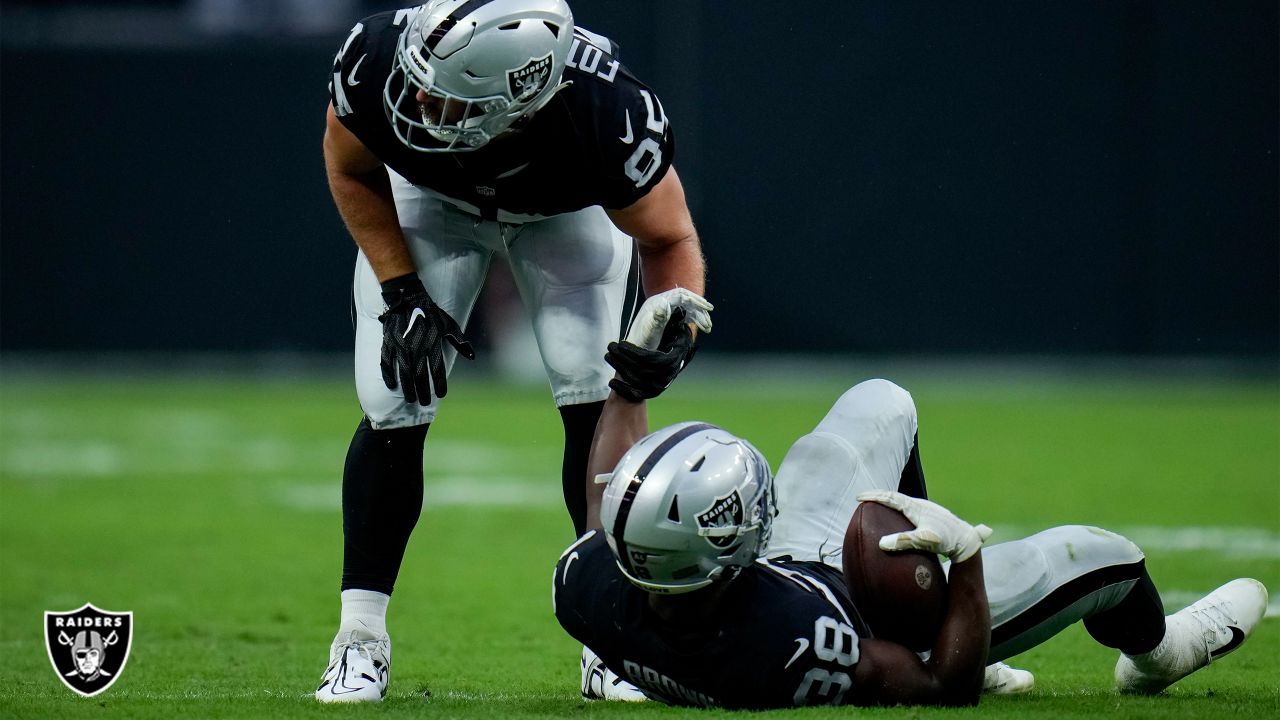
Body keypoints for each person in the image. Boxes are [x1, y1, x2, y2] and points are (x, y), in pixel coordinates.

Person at [316, 0, 711, 703]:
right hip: (427, 203)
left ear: (523, 93)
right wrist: (401, 288)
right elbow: (350, 169)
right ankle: (360, 636)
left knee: (595, 391)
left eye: (446, 96)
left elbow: (670, 238)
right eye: (420, 80)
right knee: (393, 398)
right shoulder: (378, 57)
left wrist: (676, 323)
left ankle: (608, 640)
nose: (417, 101)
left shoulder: (604, 111)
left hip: (562, 216)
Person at [553, 363, 1269, 707]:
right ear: (722, 554)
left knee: (880, 403)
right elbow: (941, 686)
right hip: (875, 615)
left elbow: (613, 509)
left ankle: (913, 539)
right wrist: (963, 560)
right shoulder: (788, 640)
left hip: (769, 578)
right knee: (1103, 556)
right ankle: (1159, 656)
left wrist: (630, 385)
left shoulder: (587, 585)